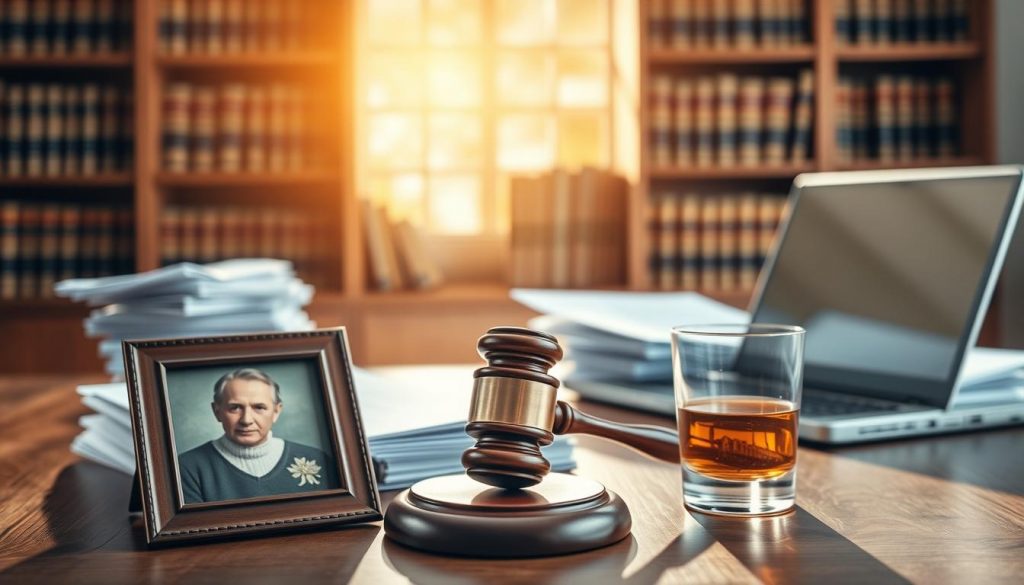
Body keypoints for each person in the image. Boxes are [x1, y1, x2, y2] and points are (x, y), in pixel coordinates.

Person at [177, 368, 339, 503]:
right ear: (217, 411)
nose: (246, 420)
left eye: (259, 407)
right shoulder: (187, 468)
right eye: (235, 408)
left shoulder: (317, 460)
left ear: (276, 411)